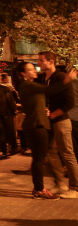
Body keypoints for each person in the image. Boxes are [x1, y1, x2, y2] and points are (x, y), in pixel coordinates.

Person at [14, 60, 78, 199]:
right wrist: (67, 80)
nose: (35, 70)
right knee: (39, 158)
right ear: (23, 74)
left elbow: (33, 104)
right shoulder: (28, 85)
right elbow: (50, 90)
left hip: (38, 123)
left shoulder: (28, 85)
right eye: (30, 69)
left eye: (34, 68)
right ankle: (39, 189)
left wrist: (44, 110)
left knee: (42, 156)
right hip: (36, 125)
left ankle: (41, 188)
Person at [37, 51, 78, 197]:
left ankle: (75, 188)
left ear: (51, 62)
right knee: (51, 152)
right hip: (48, 122)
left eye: (41, 61)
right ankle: (60, 184)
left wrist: (53, 114)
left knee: (67, 153)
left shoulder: (61, 78)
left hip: (61, 121)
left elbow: (69, 102)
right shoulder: (42, 78)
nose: (39, 63)